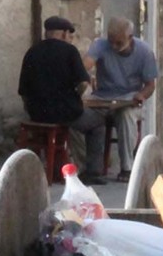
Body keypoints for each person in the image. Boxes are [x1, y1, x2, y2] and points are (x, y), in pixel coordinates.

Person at [18, 15, 108, 185]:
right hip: (65, 113)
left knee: (72, 124)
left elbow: (23, 91)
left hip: (37, 114)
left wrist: (32, 110)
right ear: (64, 34)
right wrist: (77, 96)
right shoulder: (69, 52)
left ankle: (61, 165)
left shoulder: (32, 52)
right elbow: (83, 82)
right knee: (98, 123)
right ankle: (92, 171)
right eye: (70, 35)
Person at [84, 17, 158, 183]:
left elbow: (150, 85)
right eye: (111, 42)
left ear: (130, 38)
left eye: (118, 43)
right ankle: (88, 167)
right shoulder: (101, 45)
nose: (113, 47)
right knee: (78, 114)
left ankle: (127, 167)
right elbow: (86, 65)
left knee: (126, 115)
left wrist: (141, 95)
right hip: (103, 97)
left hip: (129, 98)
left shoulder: (144, 52)